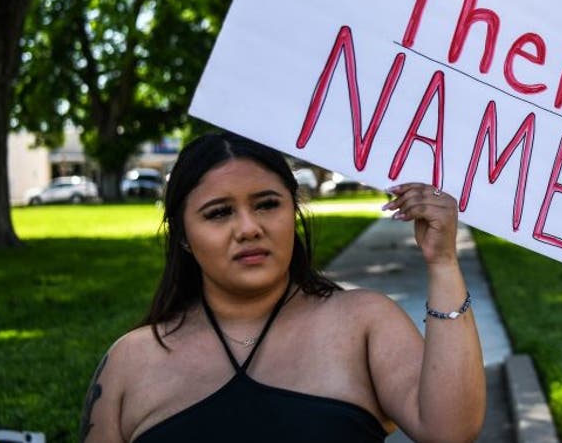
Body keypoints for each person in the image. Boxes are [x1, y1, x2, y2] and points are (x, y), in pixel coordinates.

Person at [79, 131, 485, 442]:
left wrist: (443, 261)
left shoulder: (364, 323)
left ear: (293, 209)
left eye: (267, 204)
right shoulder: (130, 362)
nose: (249, 228)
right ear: (183, 235)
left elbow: (450, 430)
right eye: (219, 213)